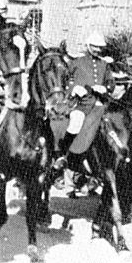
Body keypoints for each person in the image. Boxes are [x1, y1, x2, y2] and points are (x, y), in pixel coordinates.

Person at [53, 31, 114, 172]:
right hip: (81, 103)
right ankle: (63, 155)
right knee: (76, 121)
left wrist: (105, 88)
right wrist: (74, 88)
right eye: (94, 47)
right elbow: (65, 81)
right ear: (88, 46)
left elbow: (111, 83)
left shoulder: (104, 64)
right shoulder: (77, 62)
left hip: (100, 102)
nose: (97, 50)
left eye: (99, 47)